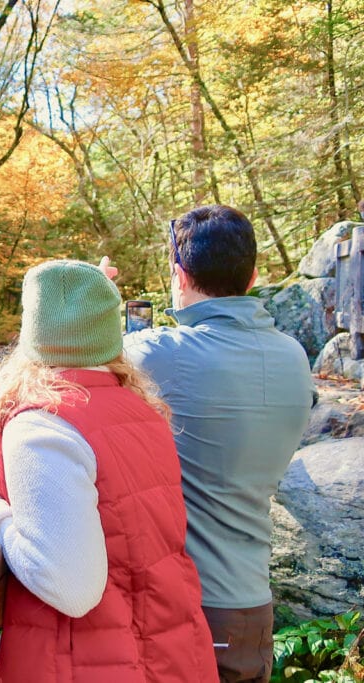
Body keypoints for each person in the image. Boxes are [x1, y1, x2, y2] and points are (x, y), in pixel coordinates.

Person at [0, 259, 217, 683]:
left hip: (83, 664)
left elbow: (72, 587)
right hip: (167, 654)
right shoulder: (143, 413)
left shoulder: (43, 426)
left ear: (33, 334)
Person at [120, 204, 314, 683]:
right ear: (251, 278)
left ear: (180, 277)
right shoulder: (295, 356)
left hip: (193, 609)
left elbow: (66, 354)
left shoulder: (160, 352)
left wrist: (97, 293)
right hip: (255, 610)